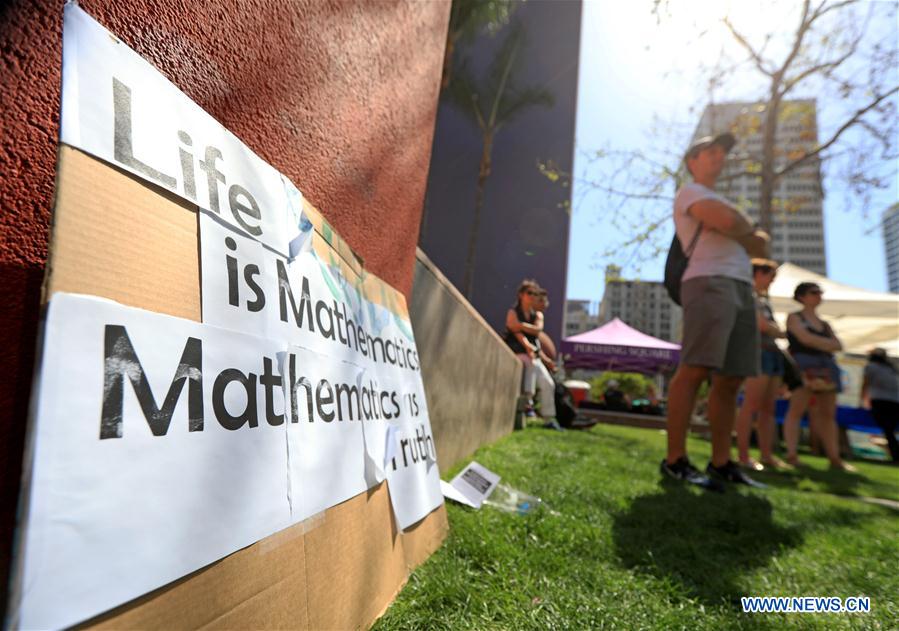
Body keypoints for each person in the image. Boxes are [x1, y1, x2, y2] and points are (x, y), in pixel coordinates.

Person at [661, 132, 771, 490]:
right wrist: (745, 228)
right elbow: (731, 225)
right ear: (692, 161)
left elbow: (757, 242)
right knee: (695, 369)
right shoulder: (690, 192)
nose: (718, 157)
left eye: (721, 152)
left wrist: (740, 226)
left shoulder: (718, 199)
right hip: (708, 283)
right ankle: (675, 460)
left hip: (741, 288)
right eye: (709, 152)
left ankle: (721, 463)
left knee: (731, 379)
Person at [782, 282, 853, 470]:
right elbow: (805, 339)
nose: (819, 295)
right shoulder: (794, 317)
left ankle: (834, 458)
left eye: (820, 292)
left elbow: (838, 345)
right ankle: (791, 454)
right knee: (797, 409)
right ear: (801, 296)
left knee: (828, 414)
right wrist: (824, 343)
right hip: (803, 366)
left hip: (826, 367)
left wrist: (816, 342)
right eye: (814, 292)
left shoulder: (824, 324)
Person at [735, 259, 791, 471]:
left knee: (769, 408)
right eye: (770, 276)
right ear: (757, 273)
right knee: (751, 405)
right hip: (757, 352)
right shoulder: (747, 294)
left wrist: (774, 329)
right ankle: (743, 455)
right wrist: (778, 330)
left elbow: (770, 326)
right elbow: (762, 325)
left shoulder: (764, 300)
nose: (772, 281)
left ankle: (766, 455)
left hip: (772, 353)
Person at [503, 280, 557, 426]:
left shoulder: (537, 315)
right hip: (518, 351)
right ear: (521, 295)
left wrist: (519, 325)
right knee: (530, 362)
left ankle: (549, 419)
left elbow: (536, 330)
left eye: (535, 293)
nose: (533, 296)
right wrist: (527, 345)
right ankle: (528, 403)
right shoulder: (513, 311)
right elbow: (516, 333)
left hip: (533, 354)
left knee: (548, 383)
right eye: (530, 293)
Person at [860, 348, 899, 463]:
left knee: (888, 431)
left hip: (880, 402)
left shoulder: (871, 367)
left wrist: (861, 402)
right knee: (890, 431)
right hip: (895, 402)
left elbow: (865, 385)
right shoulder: (892, 368)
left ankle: (896, 456)